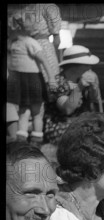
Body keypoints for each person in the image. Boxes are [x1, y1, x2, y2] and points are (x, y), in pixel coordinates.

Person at [6, 13, 58, 146]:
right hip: (20, 80)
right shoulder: (14, 43)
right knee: (23, 110)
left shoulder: (31, 43)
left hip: (33, 80)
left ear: (20, 28)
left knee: (36, 111)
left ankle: (37, 139)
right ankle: (21, 138)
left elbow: (44, 61)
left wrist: (51, 78)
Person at [43, 45, 103, 146]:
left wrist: (94, 87)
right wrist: (79, 88)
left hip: (83, 125)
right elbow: (67, 109)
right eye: (87, 65)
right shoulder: (56, 83)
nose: (90, 68)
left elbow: (96, 101)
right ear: (74, 66)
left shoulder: (83, 79)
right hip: (61, 127)